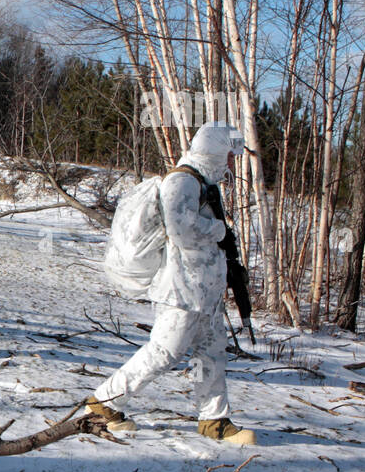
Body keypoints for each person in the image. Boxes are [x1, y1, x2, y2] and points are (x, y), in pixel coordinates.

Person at [86, 120, 257, 445]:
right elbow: (180, 230)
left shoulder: (205, 185)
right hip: (180, 291)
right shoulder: (182, 181)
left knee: (211, 354)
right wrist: (219, 232)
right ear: (216, 151)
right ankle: (104, 402)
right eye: (230, 155)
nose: (233, 162)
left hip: (205, 294)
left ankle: (214, 420)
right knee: (164, 352)